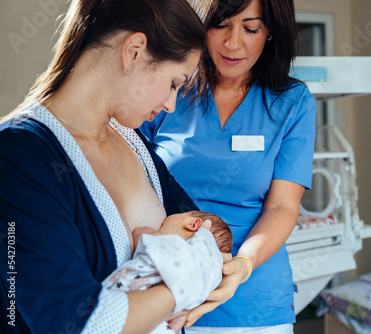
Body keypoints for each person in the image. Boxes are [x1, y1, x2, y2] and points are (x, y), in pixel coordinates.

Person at [0, 0, 208, 333]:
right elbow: (80, 323)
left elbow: (207, 232)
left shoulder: (133, 142)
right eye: (173, 83)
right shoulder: (17, 155)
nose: (170, 104)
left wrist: (213, 268)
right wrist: (185, 284)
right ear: (134, 52)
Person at [140, 0, 317, 332]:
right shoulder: (170, 89)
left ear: (270, 33)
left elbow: (281, 206)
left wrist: (242, 266)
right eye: (220, 25)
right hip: (167, 289)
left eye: (251, 28)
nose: (233, 43)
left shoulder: (292, 102)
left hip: (254, 300)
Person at [104, 211, 233, 333]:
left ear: (193, 224)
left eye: (182, 213)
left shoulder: (174, 239)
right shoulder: (202, 283)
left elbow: (142, 241)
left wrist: (143, 232)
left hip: (122, 307)